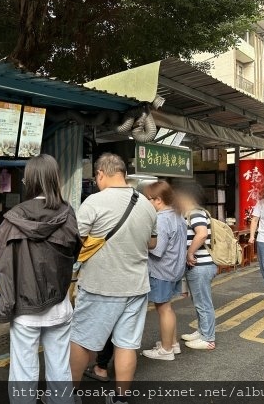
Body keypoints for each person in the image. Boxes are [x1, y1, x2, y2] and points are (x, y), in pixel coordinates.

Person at [0, 154, 81, 404]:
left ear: (28, 180)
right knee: (60, 370)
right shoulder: (68, 213)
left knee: (23, 373)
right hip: (59, 305)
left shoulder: (13, 218)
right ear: (56, 179)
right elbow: (74, 252)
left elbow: (1, 259)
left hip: (24, 307)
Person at [70, 153, 157, 404]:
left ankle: (67, 397)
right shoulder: (146, 204)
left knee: (81, 341)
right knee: (126, 344)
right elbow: (152, 242)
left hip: (100, 286)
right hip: (136, 287)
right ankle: (120, 399)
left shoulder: (94, 202)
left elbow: (75, 239)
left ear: (100, 174)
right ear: (124, 174)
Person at [141, 181, 187, 361]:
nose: (147, 203)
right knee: (168, 307)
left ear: (158, 200)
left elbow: (157, 249)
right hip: (175, 268)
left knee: (163, 308)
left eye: (149, 199)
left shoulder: (161, 219)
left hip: (161, 270)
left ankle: (166, 349)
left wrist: (141, 242)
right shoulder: (177, 215)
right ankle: (172, 344)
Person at [175, 183, 217, 350]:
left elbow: (202, 234)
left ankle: (208, 338)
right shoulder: (193, 213)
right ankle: (202, 331)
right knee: (199, 300)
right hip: (200, 266)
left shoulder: (195, 213)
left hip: (201, 265)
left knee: (203, 302)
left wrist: (190, 253)